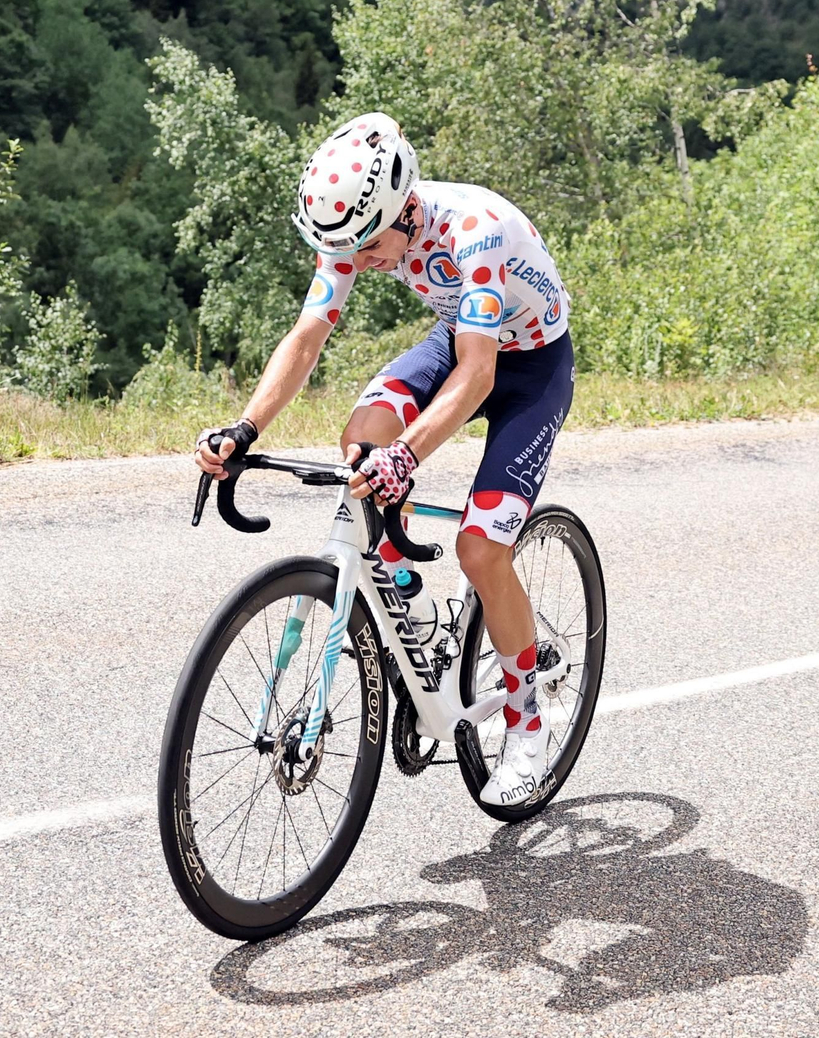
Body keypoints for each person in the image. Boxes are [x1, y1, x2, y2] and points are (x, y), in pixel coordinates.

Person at [194, 112, 574, 806]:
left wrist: (407, 454)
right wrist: (245, 428)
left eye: (370, 249)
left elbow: (480, 374)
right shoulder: (353, 230)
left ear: (405, 210)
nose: (360, 263)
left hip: (528, 367)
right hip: (457, 335)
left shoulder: (474, 231)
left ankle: (526, 723)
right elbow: (308, 336)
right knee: (359, 444)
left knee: (482, 549)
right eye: (349, 252)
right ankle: (410, 611)